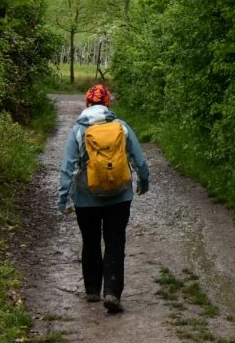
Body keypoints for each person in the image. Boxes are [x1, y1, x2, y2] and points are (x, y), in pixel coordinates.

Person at [57, 84, 149, 314]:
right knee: (115, 241)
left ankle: (91, 290)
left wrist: (63, 200)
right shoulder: (122, 127)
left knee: (90, 241)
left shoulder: (78, 131)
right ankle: (112, 292)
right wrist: (143, 182)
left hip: (86, 199)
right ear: (107, 104)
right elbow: (139, 160)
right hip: (119, 197)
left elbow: (67, 168)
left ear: (87, 104)